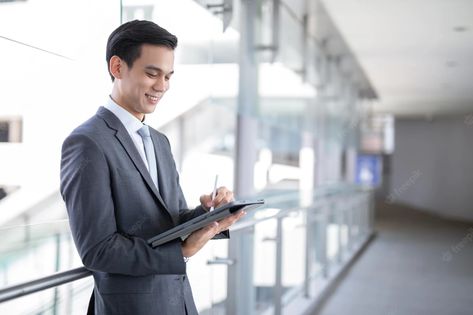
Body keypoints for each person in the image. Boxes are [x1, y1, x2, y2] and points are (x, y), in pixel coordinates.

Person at [60, 20, 245, 315]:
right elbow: (98, 250)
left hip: (179, 302)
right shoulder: (87, 143)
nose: (162, 86)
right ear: (117, 67)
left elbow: (170, 221)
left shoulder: (159, 142)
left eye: (168, 76)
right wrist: (181, 252)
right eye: (152, 73)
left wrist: (209, 215)